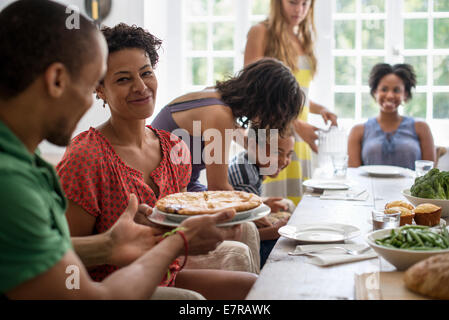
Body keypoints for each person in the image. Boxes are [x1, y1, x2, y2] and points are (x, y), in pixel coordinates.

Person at [0, 0, 254, 300]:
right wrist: (176, 242)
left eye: (145, 73)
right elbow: (91, 295)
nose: (85, 106)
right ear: (59, 80)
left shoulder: (27, 162)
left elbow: (54, 248)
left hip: (149, 274)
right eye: (88, 86)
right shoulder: (13, 183)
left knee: (252, 288)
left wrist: (109, 244)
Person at [151, 58, 304, 192]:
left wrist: (260, 200)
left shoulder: (216, 96)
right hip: (163, 190)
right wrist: (258, 207)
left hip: (182, 186)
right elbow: (218, 189)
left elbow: (242, 137)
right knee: (249, 223)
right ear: (267, 103)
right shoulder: (220, 115)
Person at [244, 0, 338, 205]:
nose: (300, 10)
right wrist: (295, 124)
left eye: (306, 4)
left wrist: (319, 108)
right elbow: (252, 89)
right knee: (268, 211)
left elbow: (295, 93)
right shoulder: (260, 32)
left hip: (297, 138)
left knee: (297, 211)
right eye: (293, 2)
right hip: (271, 134)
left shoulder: (303, 37)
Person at [228, 126, 295, 267]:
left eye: (289, 154)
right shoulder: (246, 180)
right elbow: (243, 233)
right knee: (285, 247)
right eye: (278, 152)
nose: (284, 161)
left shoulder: (246, 161)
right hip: (235, 234)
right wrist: (275, 231)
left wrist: (264, 204)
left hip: (244, 223)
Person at [347, 63, 435, 170]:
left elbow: (429, 175)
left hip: (410, 187)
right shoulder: (358, 131)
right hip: (369, 187)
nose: (390, 95)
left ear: (405, 94)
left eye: (396, 90)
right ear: (375, 92)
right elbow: (353, 176)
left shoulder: (421, 128)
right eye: (384, 89)